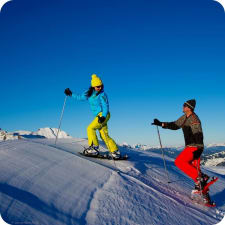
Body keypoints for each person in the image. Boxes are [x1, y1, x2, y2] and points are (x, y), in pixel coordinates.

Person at [152, 99, 210, 201]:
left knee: (179, 162)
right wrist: (161, 124)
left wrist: (200, 149)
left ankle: (201, 178)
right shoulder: (184, 117)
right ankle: (204, 194)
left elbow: (198, 134)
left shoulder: (194, 119)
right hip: (190, 146)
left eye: (184, 105)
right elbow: (175, 125)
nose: (182, 107)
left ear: (189, 108)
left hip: (194, 147)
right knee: (194, 168)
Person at [64, 74, 120, 159]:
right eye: (98, 86)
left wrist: (103, 116)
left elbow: (106, 106)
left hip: (103, 115)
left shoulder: (102, 94)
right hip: (99, 116)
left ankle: (94, 148)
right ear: (93, 86)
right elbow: (80, 97)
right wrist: (71, 94)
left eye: (101, 86)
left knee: (90, 128)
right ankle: (115, 151)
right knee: (103, 135)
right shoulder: (89, 93)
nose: (100, 88)